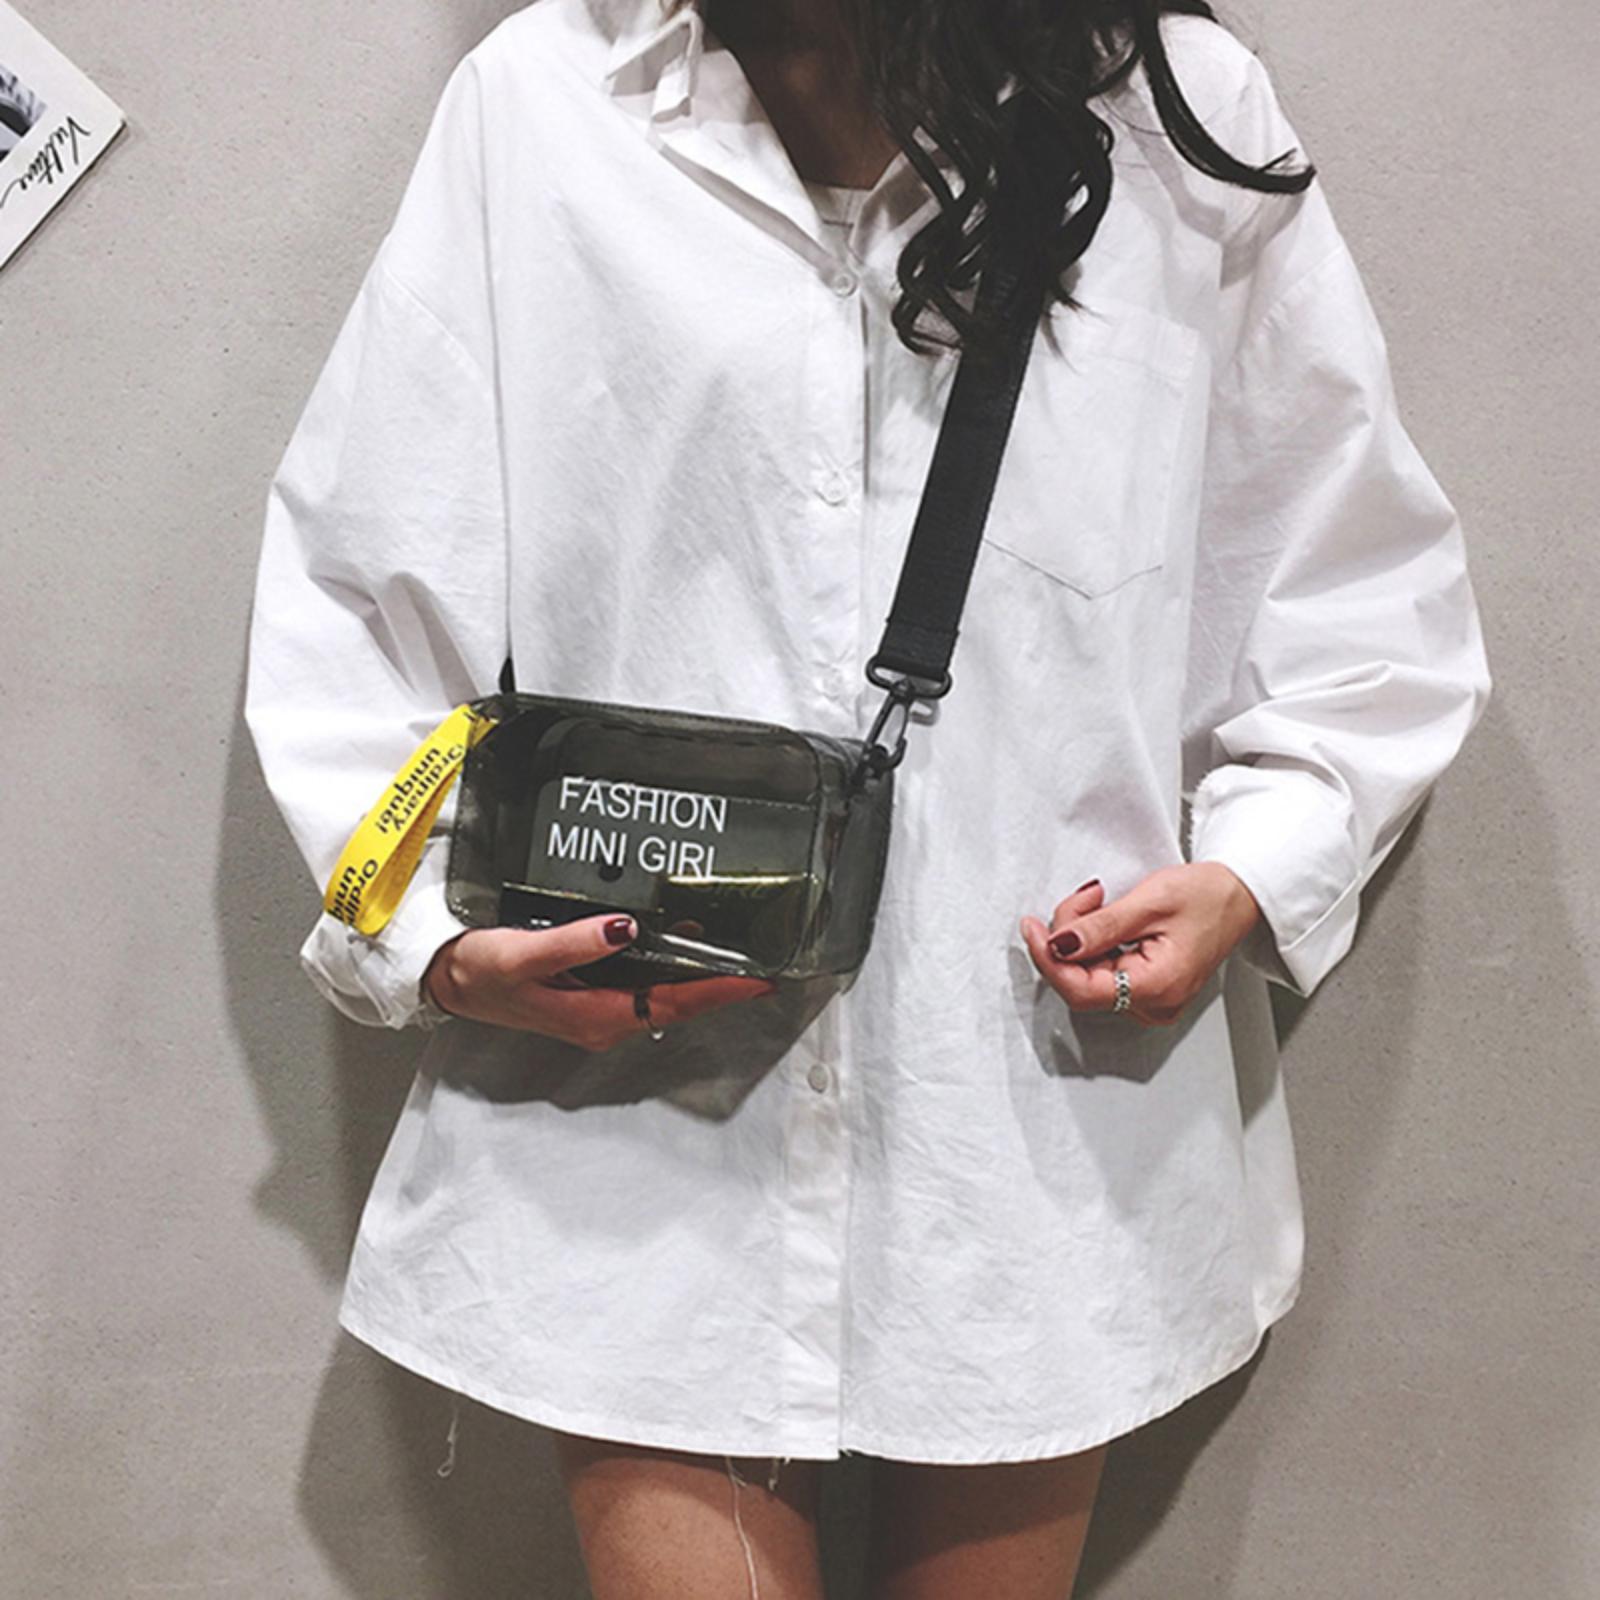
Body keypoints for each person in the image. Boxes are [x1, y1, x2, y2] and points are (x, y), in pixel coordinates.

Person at [242, 0, 1492, 1593]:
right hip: (638, 1120)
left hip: (1030, 1121)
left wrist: (1255, 871)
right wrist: (424, 942)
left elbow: (1356, 596)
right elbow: (355, 605)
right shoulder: (545, 104)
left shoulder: (1175, 119)